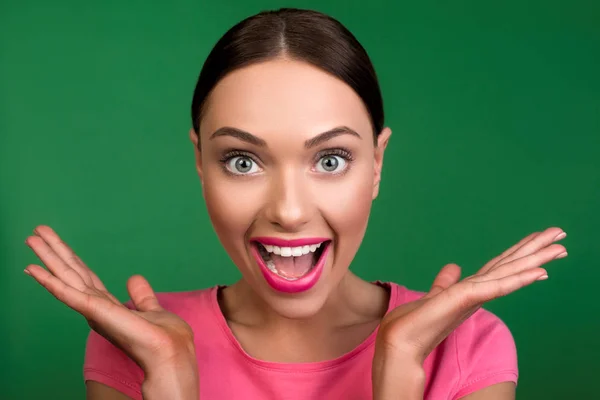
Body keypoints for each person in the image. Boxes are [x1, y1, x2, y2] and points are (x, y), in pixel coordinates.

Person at [23, 8, 568, 400]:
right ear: (199, 163)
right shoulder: (137, 344)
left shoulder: (469, 347)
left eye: (330, 160)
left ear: (377, 163)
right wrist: (167, 381)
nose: (287, 210)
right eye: (242, 161)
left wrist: (401, 368)